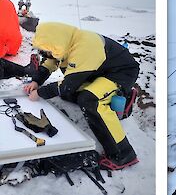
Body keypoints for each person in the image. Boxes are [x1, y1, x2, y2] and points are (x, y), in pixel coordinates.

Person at [22, 22, 140, 170]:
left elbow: (66, 86)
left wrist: (39, 93)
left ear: (56, 45)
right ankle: (112, 96)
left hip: (119, 73)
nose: (46, 54)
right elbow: (50, 62)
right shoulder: (63, 43)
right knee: (71, 95)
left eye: (46, 51)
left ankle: (123, 153)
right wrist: (36, 81)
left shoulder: (85, 47)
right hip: (97, 72)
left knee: (90, 101)